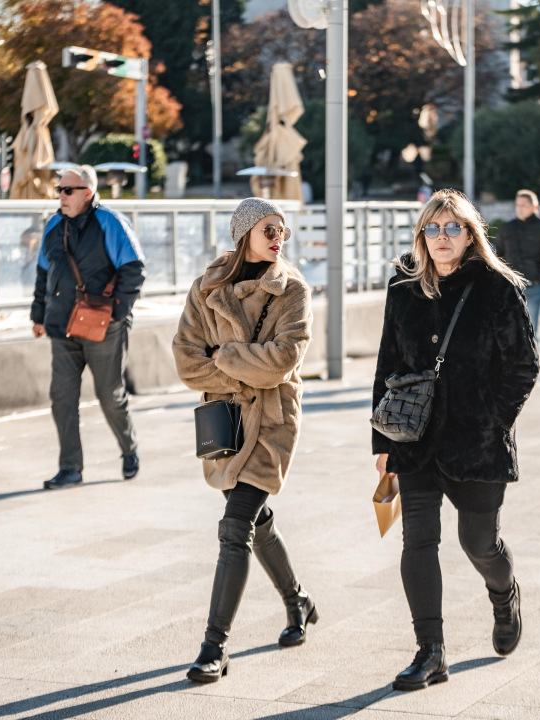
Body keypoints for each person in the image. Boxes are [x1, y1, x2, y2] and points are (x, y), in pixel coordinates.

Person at [373, 190, 539, 692]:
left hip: (477, 442)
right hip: (415, 437)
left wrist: (492, 422)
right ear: (421, 234)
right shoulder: (403, 285)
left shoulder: (497, 287)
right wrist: (379, 443)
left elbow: (524, 366)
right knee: (417, 541)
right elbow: (388, 365)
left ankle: (503, 592)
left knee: (478, 543)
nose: (442, 238)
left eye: (452, 228)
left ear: (470, 235)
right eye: (432, 228)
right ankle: (430, 652)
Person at [173, 197, 315, 683]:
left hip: (273, 422)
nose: (278, 238)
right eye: (269, 229)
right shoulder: (207, 286)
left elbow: (283, 359)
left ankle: (214, 647)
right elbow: (187, 360)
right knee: (257, 518)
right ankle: (298, 600)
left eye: (283, 231)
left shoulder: (292, 290)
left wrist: (225, 355)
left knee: (235, 527)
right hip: (228, 421)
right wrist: (243, 365)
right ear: (244, 234)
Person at [30, 165, 145, 490]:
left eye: (68, 190)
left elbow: (134, 269)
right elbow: (43, 273)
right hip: (62, 325)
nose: (61, 196)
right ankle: (71, 469)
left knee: (109, 394)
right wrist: (37, 315)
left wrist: (115, 314)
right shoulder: (53, 224)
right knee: (62, 397)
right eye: (59, 190)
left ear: (88, 194)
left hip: (103, 327)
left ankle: (129, 448)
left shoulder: (110, 222)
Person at [495, 190, 540, 339]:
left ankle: (531, 362)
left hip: (534, 289)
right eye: (517, 205)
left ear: (534, 206)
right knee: (507, 333)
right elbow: (496, 256)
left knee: (530, 334)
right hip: (508, 289)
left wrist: (539, 278)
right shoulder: (507, 228)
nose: (519, 208)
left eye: (524, 205)